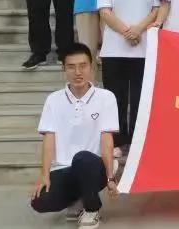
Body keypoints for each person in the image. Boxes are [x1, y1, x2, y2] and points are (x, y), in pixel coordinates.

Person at [30, 44, 119, 228]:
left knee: (82, 159)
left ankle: (92, 209)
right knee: (40, 202)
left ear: (91, 67)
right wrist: (44, 175)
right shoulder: (53, 100)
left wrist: (110, 178)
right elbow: (49, 139)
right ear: (63, 69)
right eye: (71, 67)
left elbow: (106, 140)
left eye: (83, 66)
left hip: (95, 165)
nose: (78, 72)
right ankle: (79, 199)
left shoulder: (106, 97)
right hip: (65, 168)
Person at [96, 0, 158, 154]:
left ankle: (138, 142)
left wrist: (139, 29)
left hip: (144, 49)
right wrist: (127, 32)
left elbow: (156, 9)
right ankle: (117, 141)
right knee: (116, 98)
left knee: (141, 98)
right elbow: (105, 11)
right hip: (114, 49)